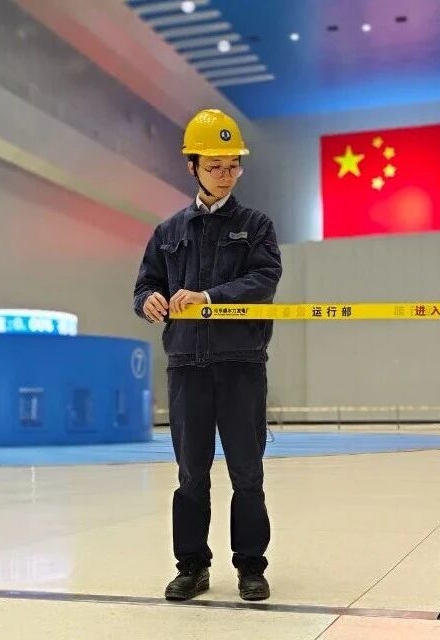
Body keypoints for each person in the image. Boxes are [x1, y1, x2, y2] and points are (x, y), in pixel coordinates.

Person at [132, 108, 282, 603]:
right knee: (191, 475)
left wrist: (209, 297)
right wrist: (148, 301)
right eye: (214, 166)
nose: (225, 174)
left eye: (233, 165)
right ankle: (192, 566)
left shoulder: (256, 226)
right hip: (187, 368)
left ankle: (251, 568)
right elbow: (146, 285)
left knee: (247, 473)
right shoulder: (167, 232)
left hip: (241, 365)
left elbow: (264, 280)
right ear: (192, 166)